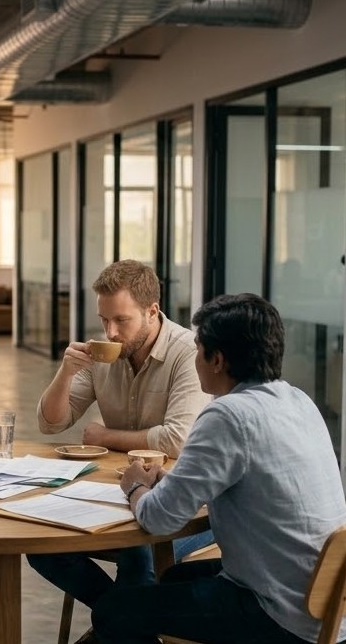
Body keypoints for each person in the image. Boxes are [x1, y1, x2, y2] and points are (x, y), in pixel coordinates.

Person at [91, 293, 346, 644]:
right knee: (172, 579)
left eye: (198, 349)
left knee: (114, 611)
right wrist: (171, 481)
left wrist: (134, 486)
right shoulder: (297, 399)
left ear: (216, 360)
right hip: (332, 601)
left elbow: (159, 520)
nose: (194, 359)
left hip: (283, 615)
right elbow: (247, 477)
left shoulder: (228, 416)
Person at [28, 260, 212, 641]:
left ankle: (116, 625)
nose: (110, 331)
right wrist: (65, 372)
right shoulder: (102, 354)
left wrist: (104, 435)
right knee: (43, 546)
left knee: (136, 556)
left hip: (180, 504)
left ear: (151, 311)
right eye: (104, 320)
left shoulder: (186, 354)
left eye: (121, 321)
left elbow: (178, 438)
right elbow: (51, 423)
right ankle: (120, 623)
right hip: (112, 494)